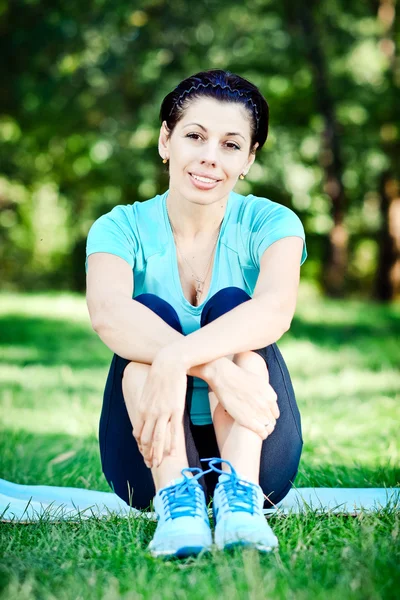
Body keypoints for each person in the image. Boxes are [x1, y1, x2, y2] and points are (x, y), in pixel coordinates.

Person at [85, 69, 307, 558]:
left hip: (258, 449)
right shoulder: (118, 228)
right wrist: (207, 367)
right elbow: (108, 315)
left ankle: (241, 504)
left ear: (248, 159)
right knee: (148, 313)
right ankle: (176, 507)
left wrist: (177, 358)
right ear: (166, 140)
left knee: (234, 306)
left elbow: (274, 311)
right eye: (194, 136)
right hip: (144, 455)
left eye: (231, 145)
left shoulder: (272, 223)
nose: (210, 156)